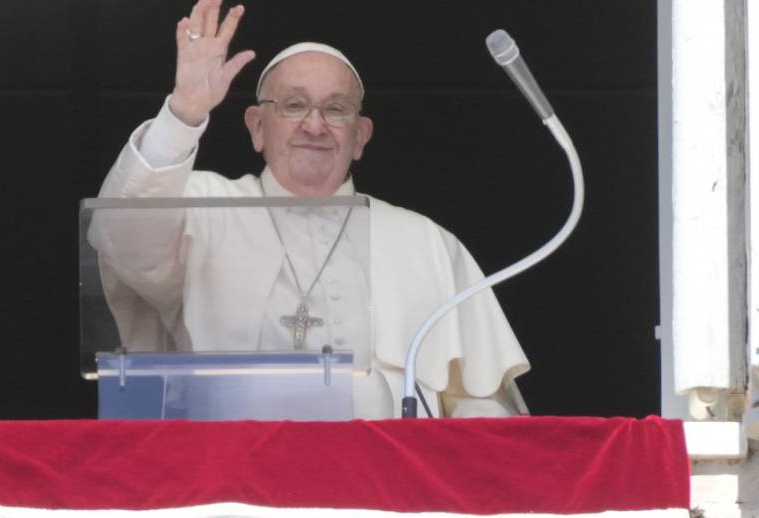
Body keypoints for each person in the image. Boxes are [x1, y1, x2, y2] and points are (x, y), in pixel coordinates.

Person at [91, 0, 530, 418]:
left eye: (335, 109)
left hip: (385, 470)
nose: (314, 126)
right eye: (294, 105)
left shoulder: (425, 242)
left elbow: (481, 402)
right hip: (233, 468)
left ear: (360, 137)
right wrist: (183, 114)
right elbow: (121, 237)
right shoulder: (203, 208)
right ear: (257, 127)